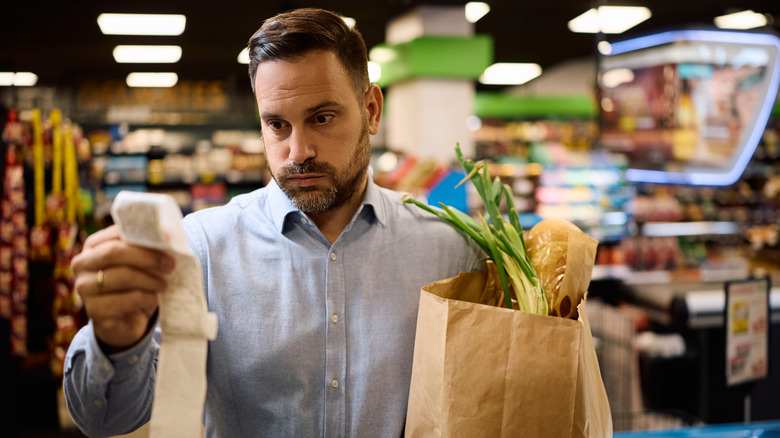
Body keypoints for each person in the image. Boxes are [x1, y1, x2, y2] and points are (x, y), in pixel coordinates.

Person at [64, 8, 482, 437]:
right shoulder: (203, 248)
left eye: (322, 118)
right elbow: (104, 419)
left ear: (371, 111)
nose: (298, 151)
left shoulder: (452, 249)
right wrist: (117, 342)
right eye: (277, 125)